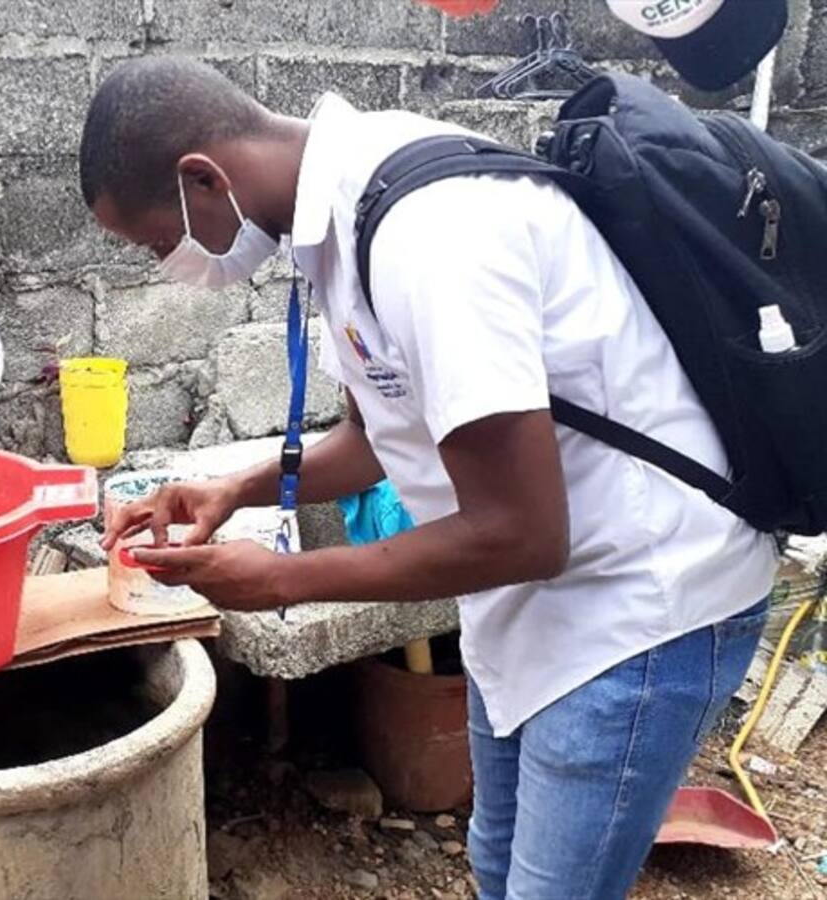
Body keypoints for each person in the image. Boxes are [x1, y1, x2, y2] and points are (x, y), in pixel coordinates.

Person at [78, 56, 777, 900]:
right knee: (497, 865)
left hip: (639, 605)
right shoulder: (340, 218)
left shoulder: (432, 233)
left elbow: (523, 533)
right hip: (534, 602)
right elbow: (376, 436)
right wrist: (234, 491)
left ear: (204, 178)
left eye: (160, 241)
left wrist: (283, 579)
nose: (170, 263)